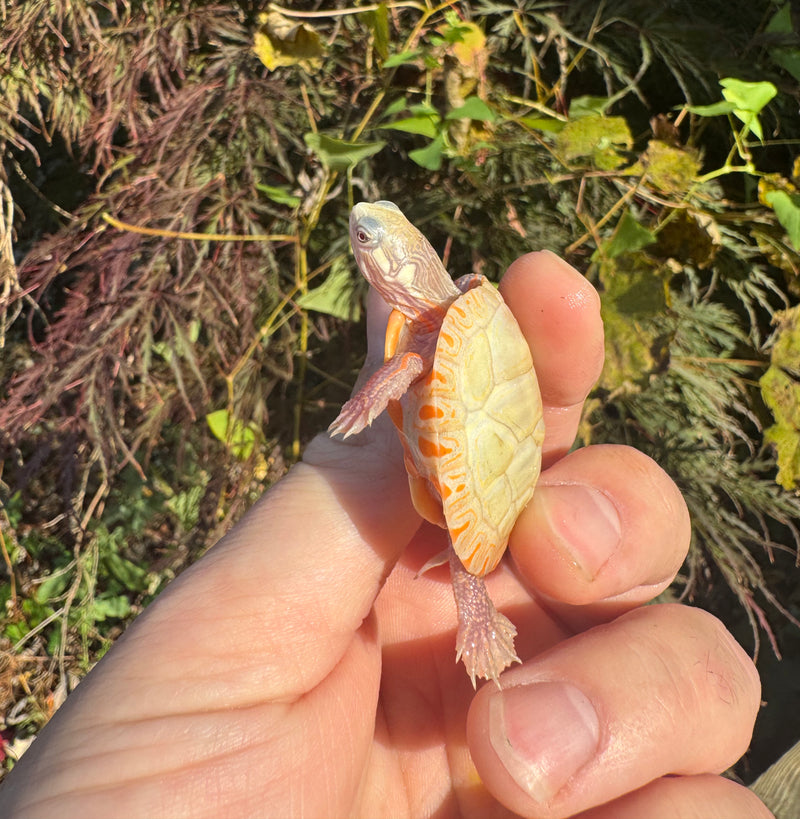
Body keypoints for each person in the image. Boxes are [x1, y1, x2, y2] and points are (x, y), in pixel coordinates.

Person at [0, 251, 773, 819]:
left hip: (487, 465)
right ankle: (475, 602)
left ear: (402, 271)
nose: (365, 255)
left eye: (375, 251)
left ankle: (474, 603)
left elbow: (409, 367)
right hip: (476, 465)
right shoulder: (441, 323)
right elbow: (416, 356)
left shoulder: (435, 332)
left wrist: (382, 393)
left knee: (485, 539)